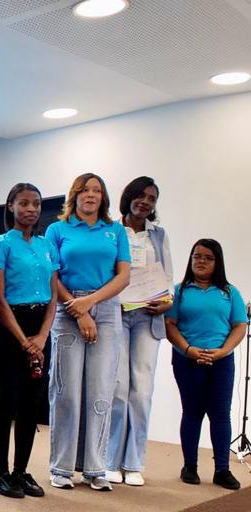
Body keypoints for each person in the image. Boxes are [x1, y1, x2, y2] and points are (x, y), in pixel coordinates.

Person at [46, 173, 131, 491]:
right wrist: (78, 309)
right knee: (66, 392)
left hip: (106, 309)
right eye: (84, 190)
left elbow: (123, 276)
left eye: (96, 190)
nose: (90, 195)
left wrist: (91, 303)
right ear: (74, 195)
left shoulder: (115, 230)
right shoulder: (57, 229)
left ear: (103, 197)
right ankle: (62, 468)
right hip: (67, 309)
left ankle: (96, 468)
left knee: (100, 393)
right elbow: (52, 275)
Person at [0, 183, 56, 499]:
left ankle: (20, 471)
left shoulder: (46, 246)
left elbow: (54, 295)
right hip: (8, 327)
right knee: (7, 400)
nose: (31, 209)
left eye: (36, 204)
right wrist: (23, 341)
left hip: (39, 327)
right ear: (11, 206)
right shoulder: (1, 245)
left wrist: (41, 337)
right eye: (24, 203)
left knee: (31, 402)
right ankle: (0, 472)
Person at [164, 239, 246, 490]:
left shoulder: (230, 292)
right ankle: (190, 467)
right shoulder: (179, 291)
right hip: (187, 359)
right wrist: (188, 350)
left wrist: (223, 351)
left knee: (220, 414)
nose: (201, 261)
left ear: (217, 262)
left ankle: (222, 469)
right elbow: (170, 325)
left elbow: (239, 326)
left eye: (208, 258)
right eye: (197, 256)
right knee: (192, 412)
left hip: (221, 361)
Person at [106, 176, 173, 486]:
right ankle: (111, 460)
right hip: (117, 315)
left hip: (148, 317)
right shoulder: (112, 230)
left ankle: (133, 463)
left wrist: (167, 300)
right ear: (129, 197)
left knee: (141, 391)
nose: (145, 202)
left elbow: (167, 276)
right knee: (118, 389)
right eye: (141, 195)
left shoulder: (159, 235)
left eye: (152, 198)